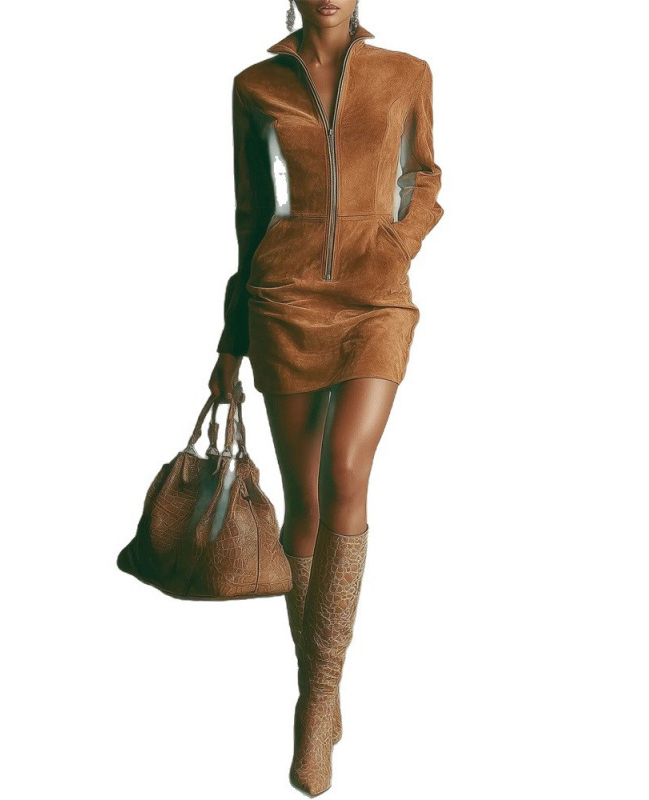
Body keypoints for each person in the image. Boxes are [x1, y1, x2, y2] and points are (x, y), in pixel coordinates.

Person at [209, 1, 443, 794]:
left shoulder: (406, 74)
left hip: (377, 300)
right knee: (304, 500)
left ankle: (316, 704)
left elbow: (427, 176)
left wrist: (398, 240)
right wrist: (230, 339)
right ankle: (319, 685)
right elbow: (249, 216)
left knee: (347, 469)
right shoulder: (255, 86)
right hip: (283, 298)